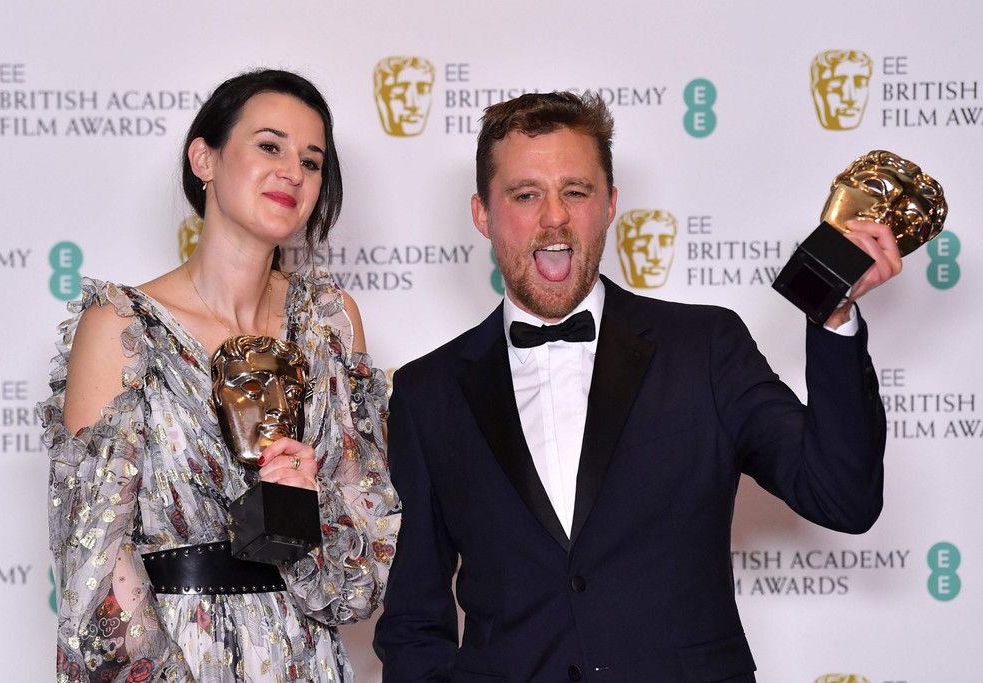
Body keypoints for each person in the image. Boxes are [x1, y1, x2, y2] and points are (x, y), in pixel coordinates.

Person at [373, 91, 899, 682]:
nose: (554, 217)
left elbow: (842, 497)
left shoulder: (704, 347)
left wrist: (833, 315)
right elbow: (413, 621)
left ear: (611, 205)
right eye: (525, 195)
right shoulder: (428, 392)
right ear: (482, 214)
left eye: (577, 192)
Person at [40, 69, 400, 682]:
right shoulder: (123, 327)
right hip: (177, 659)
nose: (293, 172)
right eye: (270, 146)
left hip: (307, 661)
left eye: (311, 162)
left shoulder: (330, 323)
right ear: (204, 159)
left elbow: (363, 579)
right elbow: (94, 564)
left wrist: (309, 510)